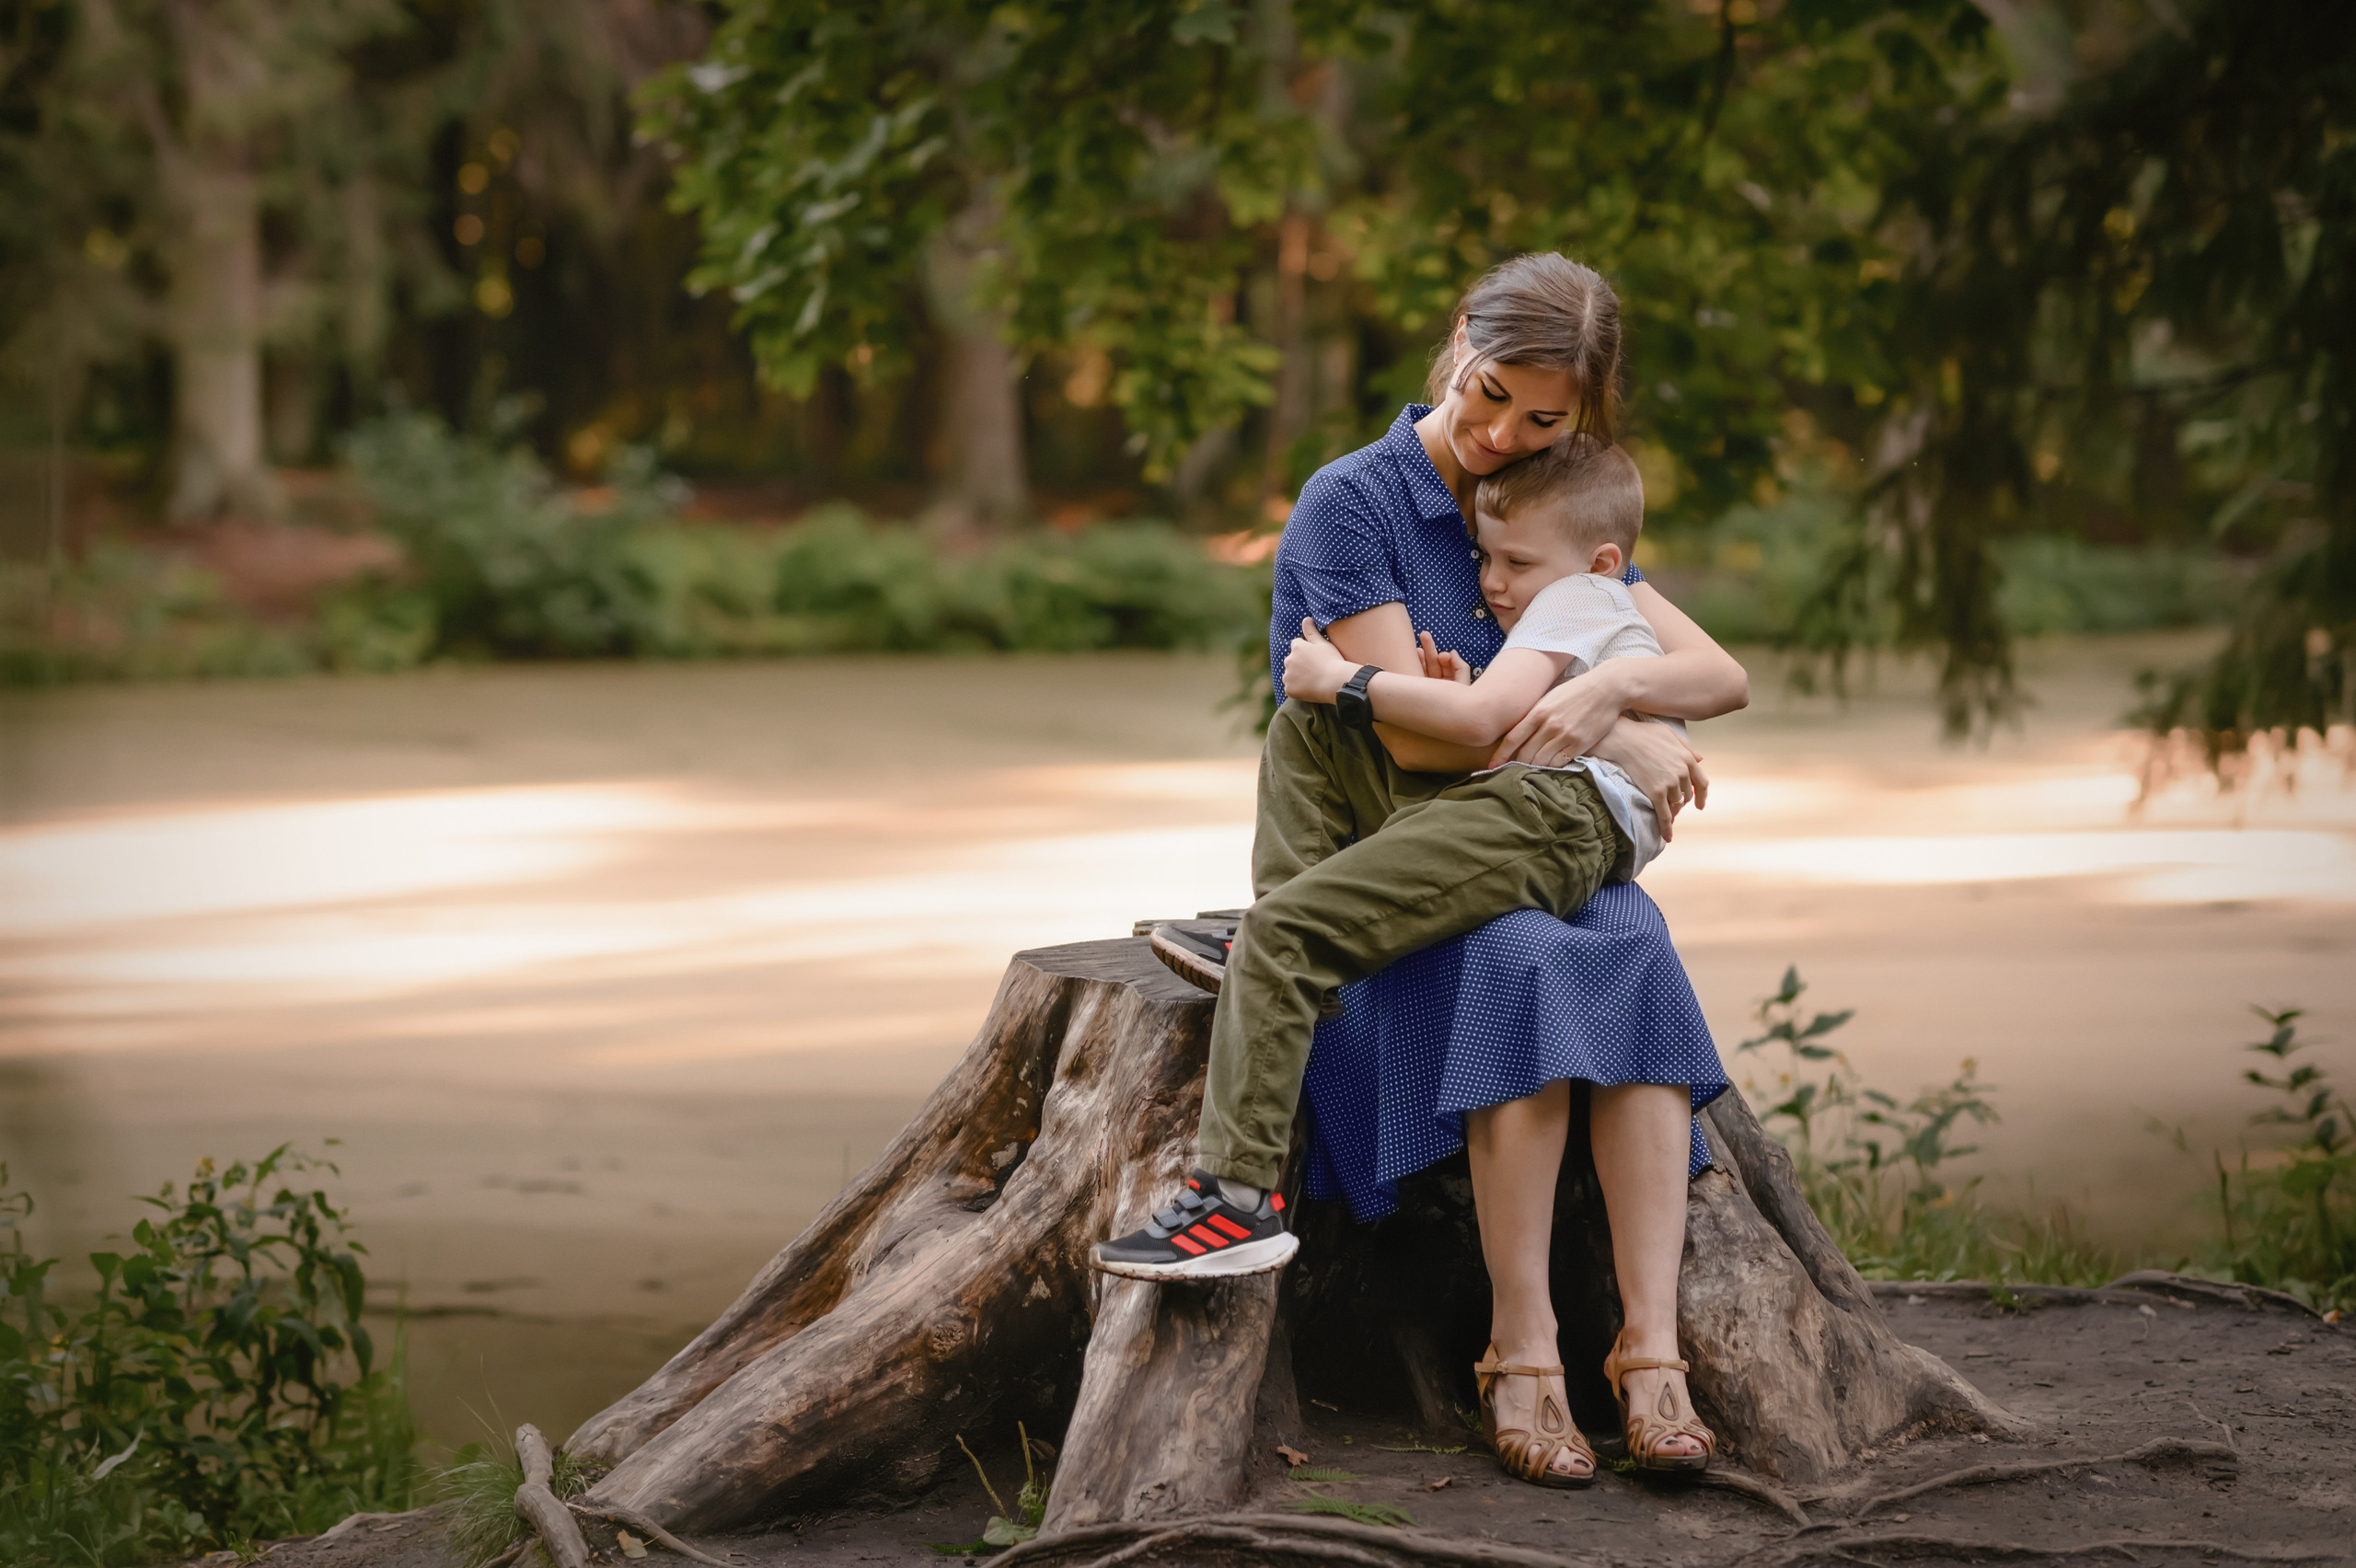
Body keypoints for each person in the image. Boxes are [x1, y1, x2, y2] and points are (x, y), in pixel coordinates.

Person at [1094, 253, 1743, 1484]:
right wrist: (1623, 723)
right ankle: (1521, 1345)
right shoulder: (1360, 501)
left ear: (1580, 418)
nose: (1505, 433)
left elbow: (1678, 660)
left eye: (1545, 417)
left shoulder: (1557, 500)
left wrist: (1606, 690)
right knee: (1485, 927)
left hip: (1520, 812)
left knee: (1633, 944)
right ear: (1457, 342)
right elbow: (1405, 731)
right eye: (1492, 393)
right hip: (1434, 808)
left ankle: (1651, 1354)